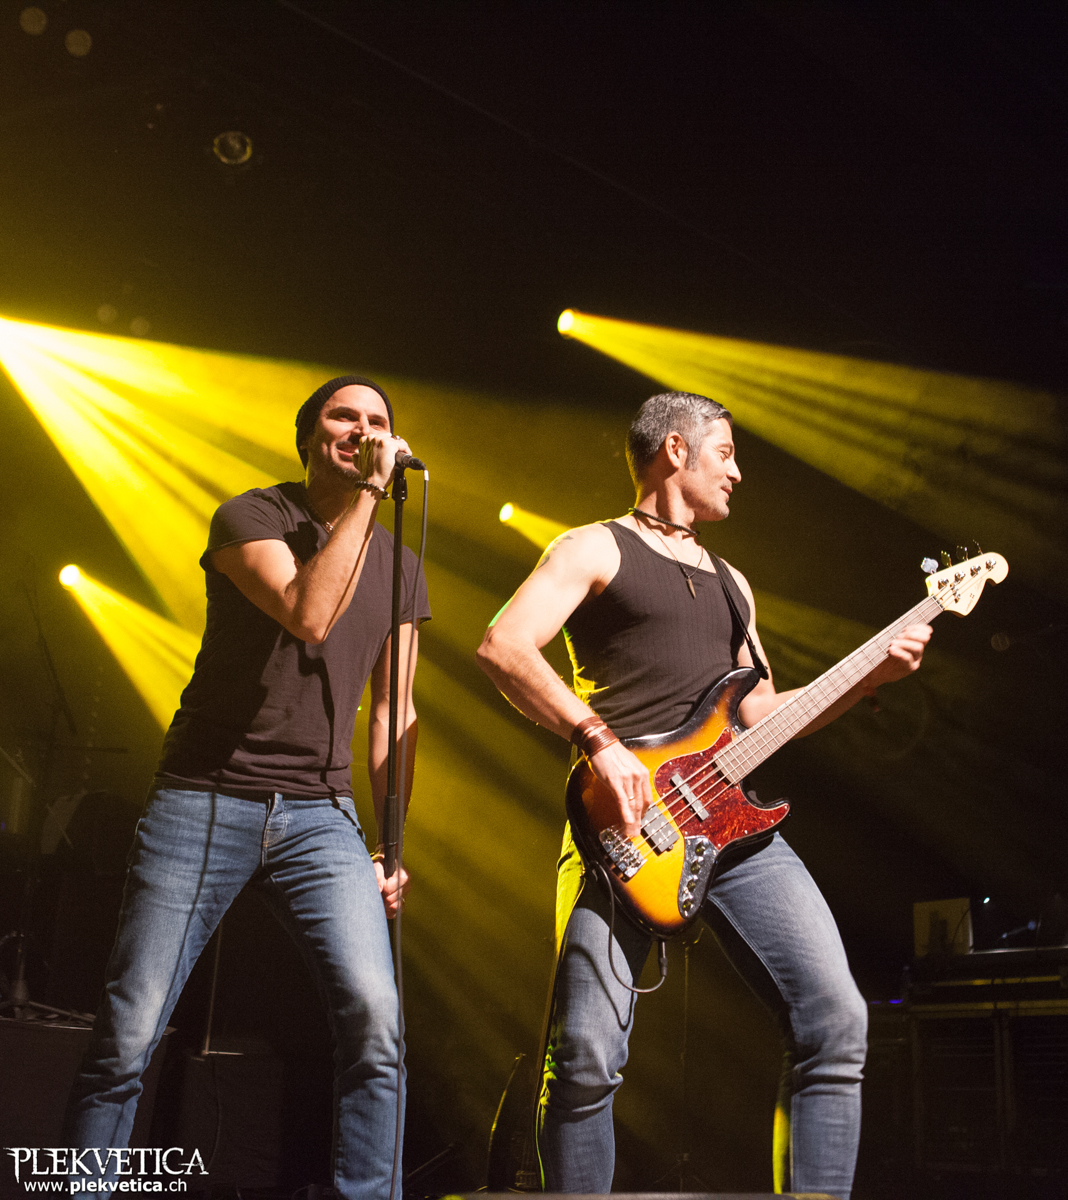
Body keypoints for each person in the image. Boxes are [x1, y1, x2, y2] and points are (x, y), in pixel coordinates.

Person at [477, 390, 930, 1198]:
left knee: (836, 1021)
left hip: (737, 829)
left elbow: (761, 715)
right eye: (726, 453)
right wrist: (600, 741)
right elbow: (504, 646)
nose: (739, 472)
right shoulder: (593, 547)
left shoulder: (732, 585)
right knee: (583, 1059)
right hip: (626, 826)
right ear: (675, 450)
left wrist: (869, 677)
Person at [64, 375, 430, 1200]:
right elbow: (308, 612)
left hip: (322, 815)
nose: (363, 430)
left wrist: (390, 845)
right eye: (344, 416)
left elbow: (394, 712)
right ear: (308, 438)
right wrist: (371, 494)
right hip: (206, 797)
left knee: (376, 1025)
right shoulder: (252, 516)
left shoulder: (401, 563)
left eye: (377, 421)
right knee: (128, 1033)